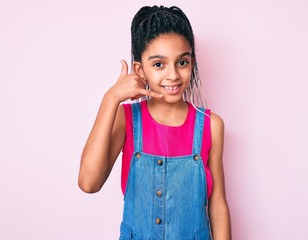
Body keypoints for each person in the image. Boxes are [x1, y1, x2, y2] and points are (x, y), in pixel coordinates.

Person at [78, 5, 231, 240]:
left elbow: (217, 203)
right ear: (140, 69)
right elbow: (89, 182)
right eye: (159, 64)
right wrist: (111, 98)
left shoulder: (211, 125)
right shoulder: (127, 118)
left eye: (182, 62)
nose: (173, 75)